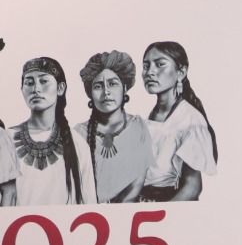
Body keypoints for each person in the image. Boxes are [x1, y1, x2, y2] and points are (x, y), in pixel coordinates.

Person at [11, 56, 93, 206]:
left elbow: (89, 205)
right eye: (29, 83)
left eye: (43, 81)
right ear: (22, 89)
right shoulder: (6, 140)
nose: (36, 89)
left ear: (60, 88)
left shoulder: (78, 144)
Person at [139, 42, 215, 202]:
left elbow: (192, 187)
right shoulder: (148, 118)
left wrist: (164, 214)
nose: (150, 72)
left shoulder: (190, 120)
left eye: (160, 64)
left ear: (181, 72)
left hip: (169, 204)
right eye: (146, 66)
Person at [74, 51, 151, 204]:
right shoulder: (78, 134)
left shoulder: (139, 126)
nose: (106, 92)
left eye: (112, 84)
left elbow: (137, 183)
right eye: (98, 86)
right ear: (90, 94)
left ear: (125, 88)